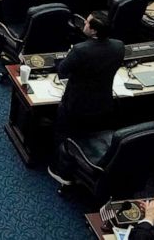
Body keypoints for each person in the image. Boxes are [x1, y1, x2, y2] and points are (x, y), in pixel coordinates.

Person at [49, 11, 124, 185]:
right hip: (103, 102)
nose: (84, 24)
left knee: (63, 134)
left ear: (94, 31)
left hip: (75, 103)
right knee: (89, 132)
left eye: (88, 23)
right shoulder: (119, 46)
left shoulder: (80, 50)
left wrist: (68, 58)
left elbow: (62, 71)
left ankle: (61, 170)